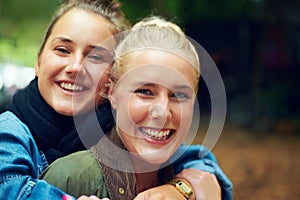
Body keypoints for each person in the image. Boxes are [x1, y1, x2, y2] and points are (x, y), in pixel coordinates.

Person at [0, 0, 232, 200]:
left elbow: (195, 160)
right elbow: (9, 189)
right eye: (62, 50)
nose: (76, 67)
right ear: (38, 62)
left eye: (96, 56)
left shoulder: (120, 127)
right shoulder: (9, 131)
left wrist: (182, 188)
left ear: (112, 83)